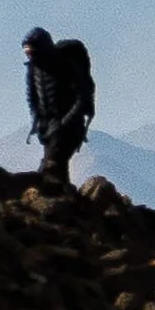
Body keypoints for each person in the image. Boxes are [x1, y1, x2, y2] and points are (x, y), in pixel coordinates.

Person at [22, 28, 96, 190]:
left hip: (70, 126)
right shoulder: (33, 69)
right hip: (49, 125)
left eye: (32, 52)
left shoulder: (65, 65)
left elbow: (82, 96)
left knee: (52, 167)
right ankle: (69, 204)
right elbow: (33, 97)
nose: (30, 56)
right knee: (56, 170)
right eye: (27, 53)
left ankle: (64, 202)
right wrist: (38, 121)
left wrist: (64, 123)